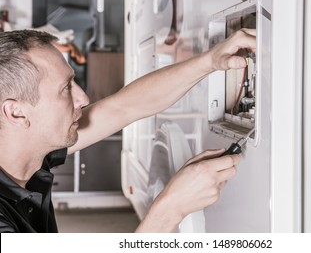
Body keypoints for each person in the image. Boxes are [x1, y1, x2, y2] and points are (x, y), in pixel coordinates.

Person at [0, 28, 256, 233]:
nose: (83, 97)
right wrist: (171, 209)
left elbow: (123, 107)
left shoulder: (29, 156)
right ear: (17, 113)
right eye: (66, 88)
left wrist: (210, 61)